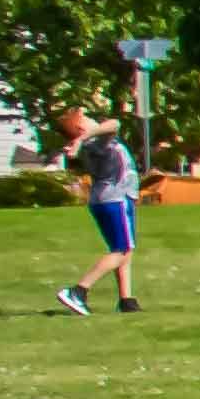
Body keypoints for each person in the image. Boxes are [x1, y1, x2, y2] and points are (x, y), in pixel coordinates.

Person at [52, 106, 139, 315]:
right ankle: (78, 291)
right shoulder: (95, 141)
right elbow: (115, 124)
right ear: (81, 127)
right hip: (115, 199)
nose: (94, 121)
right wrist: (82, 138)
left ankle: (126, 300)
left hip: (107, 199)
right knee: (120, 250)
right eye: (88, 118)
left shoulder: (92, 142)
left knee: (124, 250)